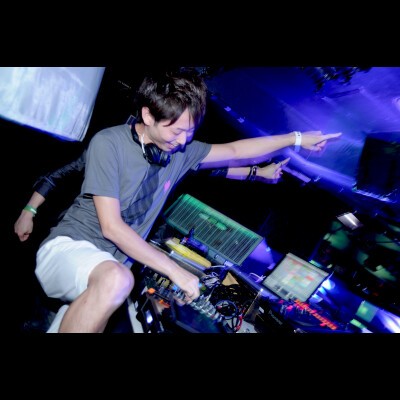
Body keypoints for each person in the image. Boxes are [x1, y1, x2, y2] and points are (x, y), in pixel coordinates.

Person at [32, 68, 341, 333]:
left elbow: (236, 151)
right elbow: (111, 227)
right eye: (177, 131)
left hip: (105, 267)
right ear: (148, 115)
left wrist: (295, 139)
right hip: (70, 249)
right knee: (117, 280)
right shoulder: (109, 143)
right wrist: (175, 271)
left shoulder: (179, 152)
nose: (182, 141)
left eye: (189, 133)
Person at [14, 148, 290, 242]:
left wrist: (258, 172)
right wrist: (29, 211)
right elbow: (56, 176)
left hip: (126, 244)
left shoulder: (167, 159)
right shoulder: (108, 149)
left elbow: (213, 170)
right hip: (81, 234)